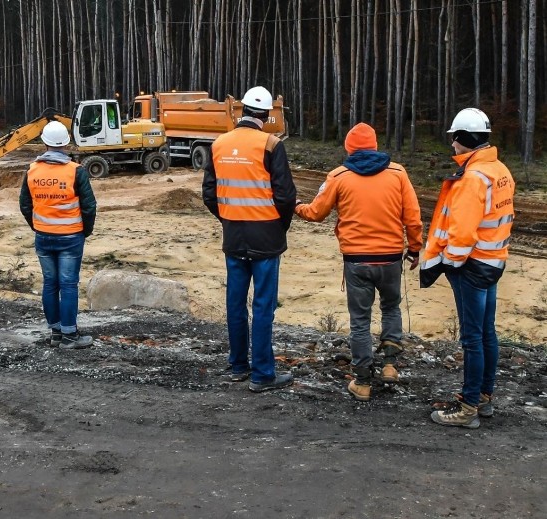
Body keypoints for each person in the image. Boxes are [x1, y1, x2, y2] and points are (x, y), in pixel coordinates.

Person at [294, 122, 422, 401]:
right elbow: (412, 216)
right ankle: (389, 366)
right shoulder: (398, 173)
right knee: (391, 308)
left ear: (349, 148)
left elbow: (316, 213)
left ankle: (363, 382)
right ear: (375, 145)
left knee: (360, 322)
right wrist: (415, 248)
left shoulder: (338, 176)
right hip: (390, 259)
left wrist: (296, 206)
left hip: (357, 261)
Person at [422, 108, 515, 429]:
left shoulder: (472, 179)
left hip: (472, 267)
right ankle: (484, 397)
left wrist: (451, 264)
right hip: (494, 262)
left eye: (453, 139)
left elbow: (461, 234)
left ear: (462, 138)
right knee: (487, 334)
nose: (452, 145)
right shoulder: (499, 169)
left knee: (472, 338)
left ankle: (468, 407)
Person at [202, 86, 296, 392]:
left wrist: (228, 217)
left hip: (234, 235)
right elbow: (285, 196)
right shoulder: (271, 144)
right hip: (266, 236)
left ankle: (239, 366)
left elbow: (209, 194)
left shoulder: (219, 144)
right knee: (263, 306)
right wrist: (280, 226)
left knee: (235, 303)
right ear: (267, 115)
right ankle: (262, 374)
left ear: (241, 110)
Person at [19, 121, 97, 349]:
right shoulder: (75, 171)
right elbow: (89, 206)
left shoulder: (32, 170)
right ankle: (70, 336)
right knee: (69, 285)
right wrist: (85, 231)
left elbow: (25, 204)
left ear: (44, 142)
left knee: (50, 285)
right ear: (66, 143)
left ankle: (56, 333)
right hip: (70, 238)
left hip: (44, 237)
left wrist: (37, 227)